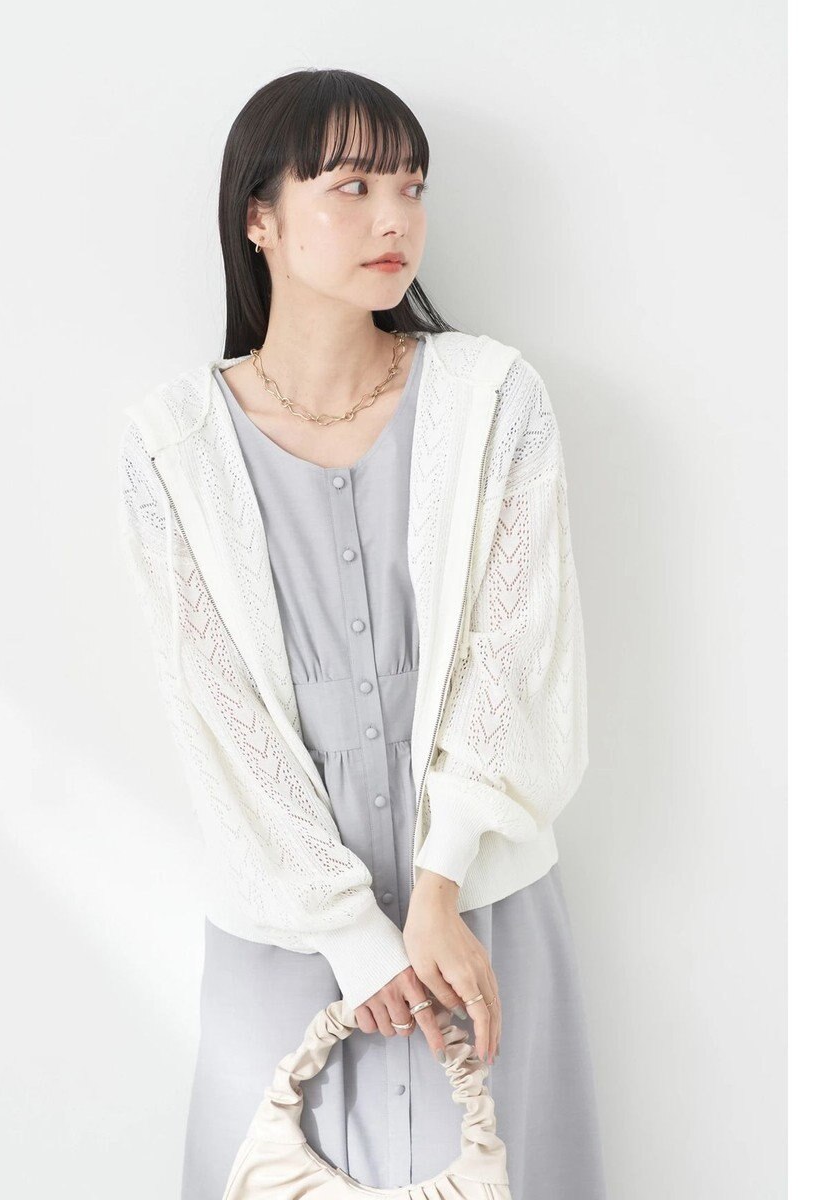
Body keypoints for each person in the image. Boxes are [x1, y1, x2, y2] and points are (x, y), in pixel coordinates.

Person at [117, 68, 608, 1200]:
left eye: (411, 187)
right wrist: (352, 935)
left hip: (480, 907)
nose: (395, 219)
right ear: (259, 215)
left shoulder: (494, 399)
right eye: (351, 187)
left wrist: (436, 889)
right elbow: (217, 718)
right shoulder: (171, 446)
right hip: (283, 925)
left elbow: (518, 653)